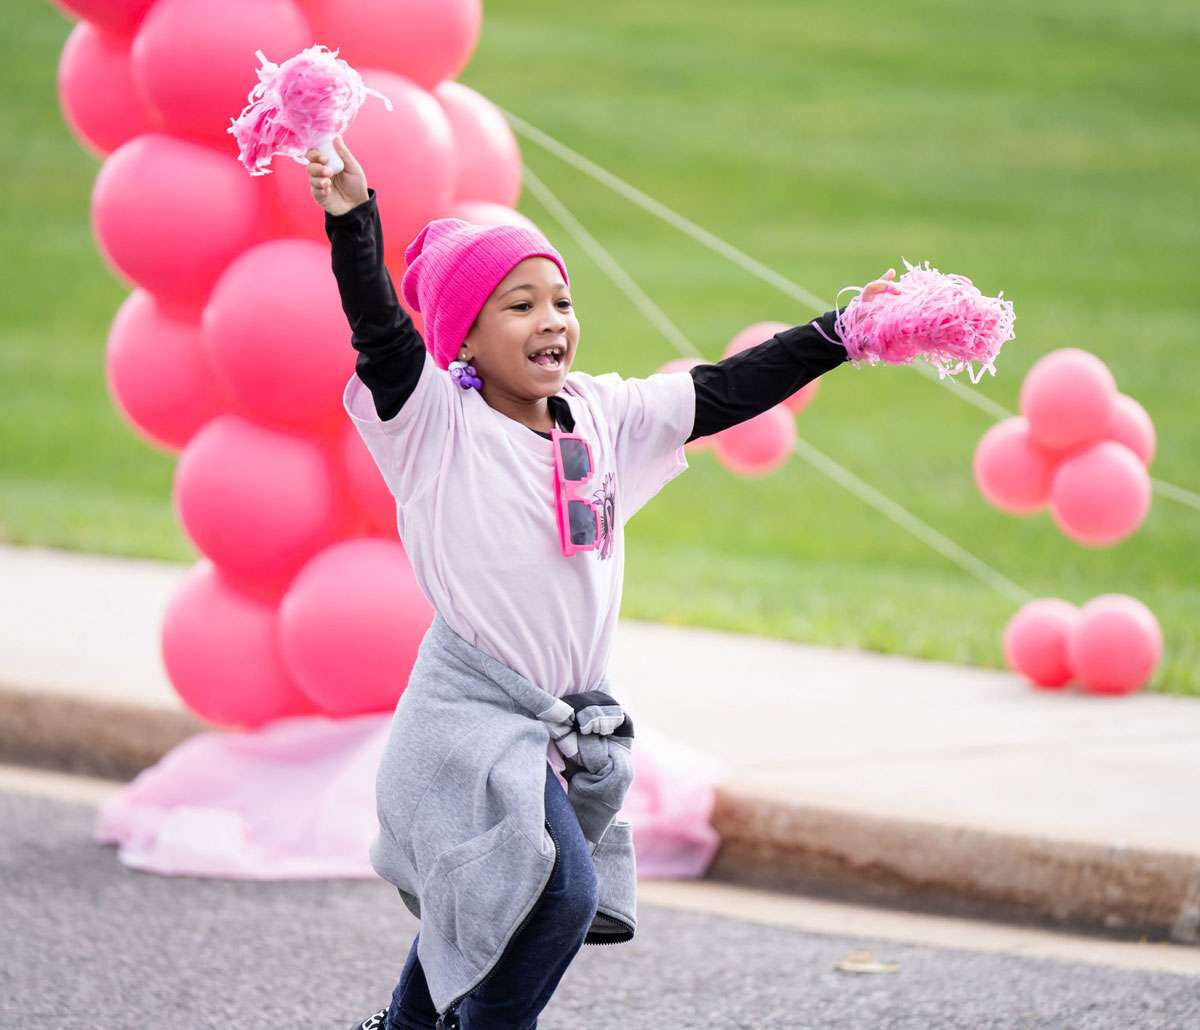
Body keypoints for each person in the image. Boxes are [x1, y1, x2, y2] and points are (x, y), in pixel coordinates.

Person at [308, 137, 895, 1030]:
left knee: (499, 895)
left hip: (562, 712)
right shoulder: (432, 425)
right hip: (471, 712)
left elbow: (727, 390)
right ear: (463, 333)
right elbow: (382, 333)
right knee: (557, 893)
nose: (553, 320)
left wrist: (843, 334)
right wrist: (354, 217)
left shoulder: (602, 413)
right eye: (521, 306)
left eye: (562, 300)